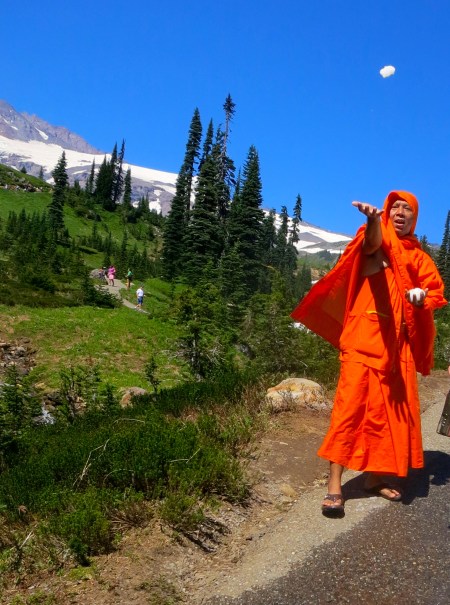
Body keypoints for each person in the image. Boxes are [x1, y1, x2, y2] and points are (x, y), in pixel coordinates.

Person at [291, 191, 447, 517]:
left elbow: (434, 292)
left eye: (409, 210)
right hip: (363, 341)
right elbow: (372, 245)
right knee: (349, 412)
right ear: (388, 213)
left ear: (415, 220)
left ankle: (374, 476)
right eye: (396, 208)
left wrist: (421, 299)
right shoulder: (375, 237)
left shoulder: (418, 258)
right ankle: (334, 485)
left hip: (396, 349)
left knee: (387, 416)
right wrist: (373, 220)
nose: (401, 214)